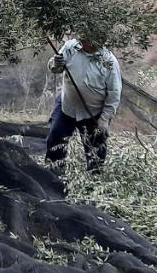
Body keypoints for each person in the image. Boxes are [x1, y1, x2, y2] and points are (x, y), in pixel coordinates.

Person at [45, 35, 122, 172]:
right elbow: (55, 68)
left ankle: (93, 183)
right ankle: (53, 173)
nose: (82, 42)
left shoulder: (109, 61)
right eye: (82, 38)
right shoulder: (70, 48)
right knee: (55, 139)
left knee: (96, 152)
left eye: (87, 39)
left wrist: (104, 120)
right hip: (66, 106)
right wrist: (56, 63)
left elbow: (114, 94)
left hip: (93, 114)